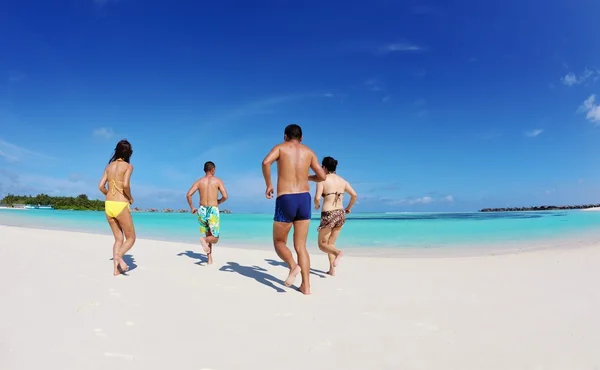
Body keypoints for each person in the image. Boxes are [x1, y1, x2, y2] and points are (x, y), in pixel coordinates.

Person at [261, 124, 327, 295]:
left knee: (279, 242)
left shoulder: (280, 148)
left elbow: (266, 162)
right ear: (302, 138)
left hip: (286, 197)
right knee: (301, 246)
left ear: (285, 136)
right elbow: (322, 176)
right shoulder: (309, 151)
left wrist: (268, 184)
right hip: (304, 198)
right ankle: (306, 286)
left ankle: (293, 266)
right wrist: (309, 177)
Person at [97, 139, 136, 276]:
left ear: (117, 151)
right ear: (129, 153)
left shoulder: (108, 167)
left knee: (118, 238)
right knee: (131, 238)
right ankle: (119, 256)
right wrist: (130, 197)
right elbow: (125, 185)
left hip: (108, 205)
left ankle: (116, 270)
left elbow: (100, 186)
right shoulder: (128, 166)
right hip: (120, 204)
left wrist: (108, 195)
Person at [314, 156, 357, 276]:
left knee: (322, 244)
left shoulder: (322, 180)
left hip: (328, 214)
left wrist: (316, 204)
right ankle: (332, 270)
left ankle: (338, 253)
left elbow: (317, 197)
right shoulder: (343, 181)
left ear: (325, 167)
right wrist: (348, 208)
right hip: (340, 213)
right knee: (330, 244)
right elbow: (354, 195)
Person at [186, 161, 228, 265]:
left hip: (202, 209)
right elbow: (225, 196)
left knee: (208, 234)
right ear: (213, 169)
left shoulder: (199, 182)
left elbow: (188, 195)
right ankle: (204, 240)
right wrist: (218, 201)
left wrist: (192, 207)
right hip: (212, 210)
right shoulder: (218, 181)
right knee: (215, 237)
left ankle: (209, 258)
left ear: (205, 170)